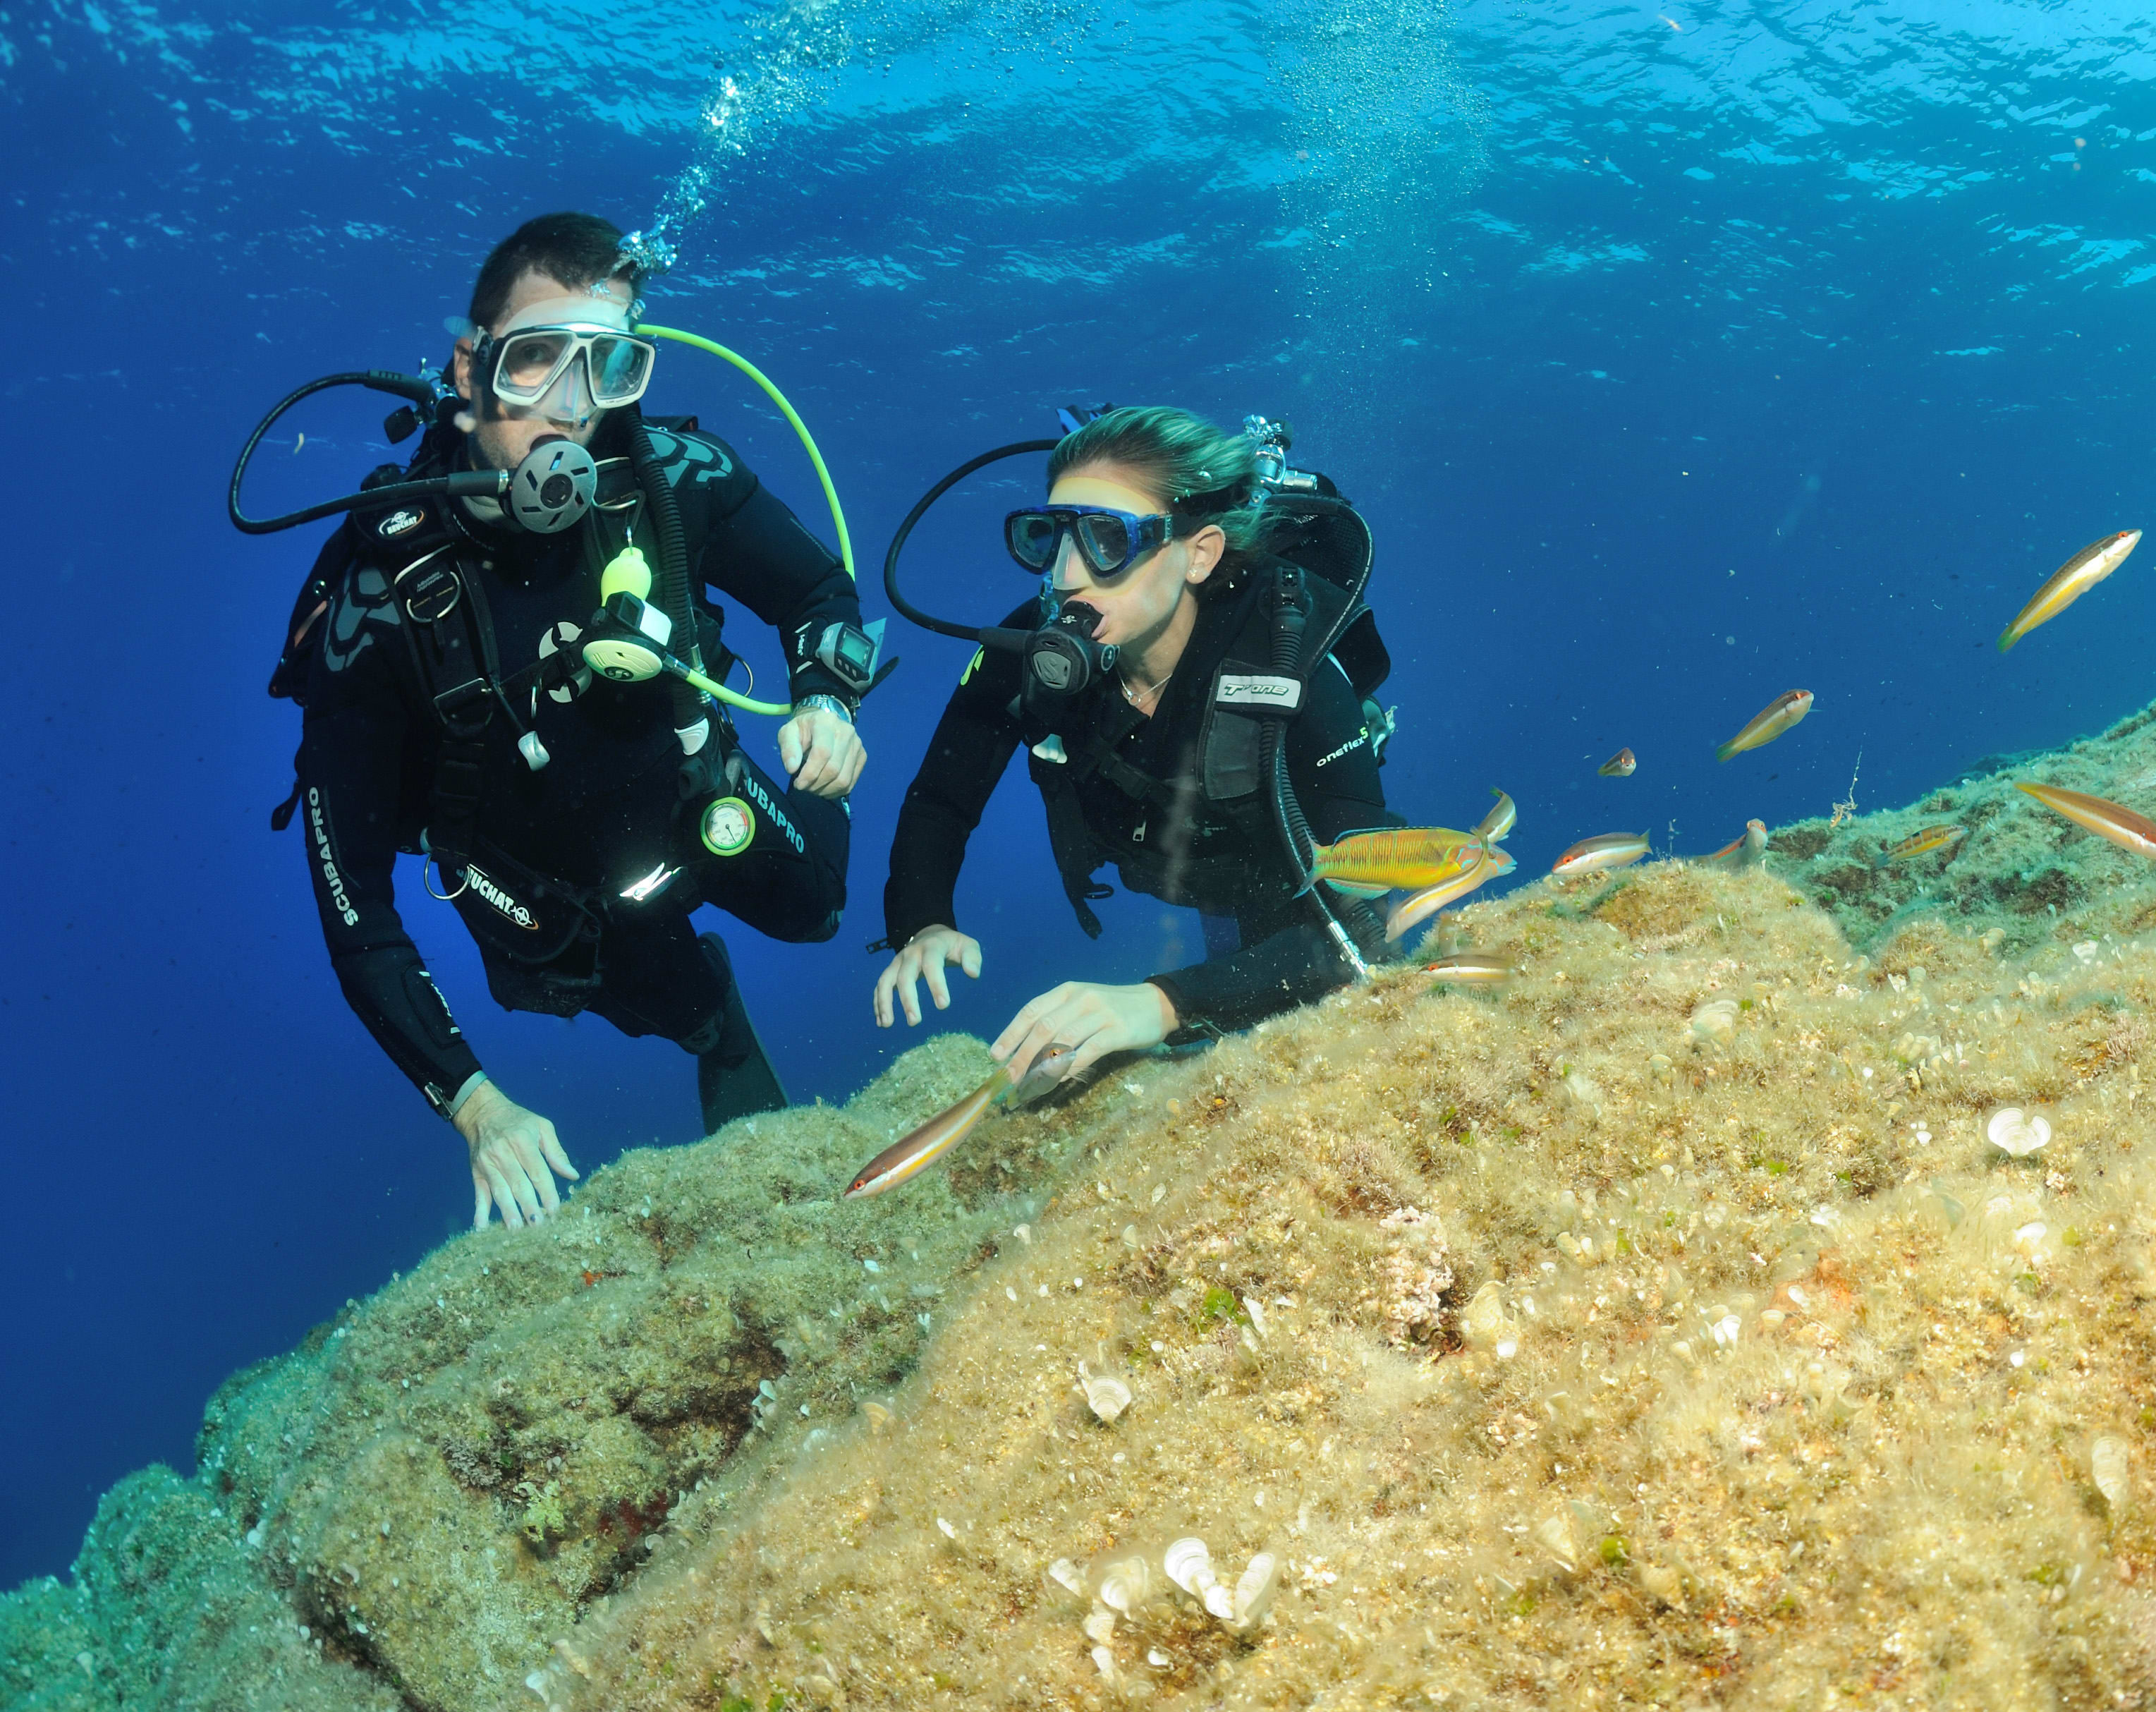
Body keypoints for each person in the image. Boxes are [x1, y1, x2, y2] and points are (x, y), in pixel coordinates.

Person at [279, 212, 882, 1229]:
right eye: (536, 361)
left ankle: (758, 869)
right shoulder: (375, 599)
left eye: (606, 367)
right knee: (675, 1008)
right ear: (470, 369)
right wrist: (473, 1104)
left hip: (695, 790)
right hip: (551, 892)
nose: (569, 410)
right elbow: (355, 910)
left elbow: (820, 591)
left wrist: (826, 700)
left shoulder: (674, 480)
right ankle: (713, 1022)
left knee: (817, 913)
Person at [872, 406, 1399, 1086]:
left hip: (1277, 874)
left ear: (1199, 553)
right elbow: (942, 797)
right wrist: (922, 922)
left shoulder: (1285, 654)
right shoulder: (1032, 645)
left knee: (1287, 1010)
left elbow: (1361, 922)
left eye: (1105, 539)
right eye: (1049, 535)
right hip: (1164, 860)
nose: (1064, 575)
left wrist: (1161, 1003)